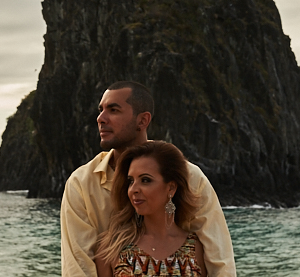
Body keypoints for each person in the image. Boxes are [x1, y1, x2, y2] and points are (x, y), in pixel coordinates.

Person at [60, 81, 235, 277]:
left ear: (142, 121)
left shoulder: (189, 176)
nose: (101, 118)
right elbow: (78, 268)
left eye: (114, 110)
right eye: (101, 110)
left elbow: (219, 259)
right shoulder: (81, 184)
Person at [94, 141, 204, 277]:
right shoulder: (111, 248)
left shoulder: (195, 250)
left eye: (145, 180)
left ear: (171, 188)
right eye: (131, 181)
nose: (133, 189)